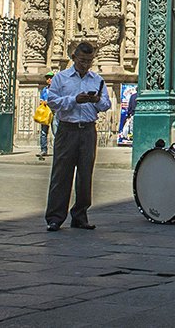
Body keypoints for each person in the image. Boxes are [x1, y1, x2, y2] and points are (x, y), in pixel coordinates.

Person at [44, 41, 111, 231]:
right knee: (61, 174)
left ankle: (80, 215)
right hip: (68, 129)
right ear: (73, 58)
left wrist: (97, 100)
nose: (85, 64)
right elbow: (52, 102)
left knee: (85, 175)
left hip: (88, 130)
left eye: (89, 61)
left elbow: (106, 104)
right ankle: (55, 217)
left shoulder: (97, 80)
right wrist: (74, 100)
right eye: (82, 60)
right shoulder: (60, 78)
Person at [38, 72, 54, 160]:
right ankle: (43, 149)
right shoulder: (44, 90)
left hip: (54, 112)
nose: (49, 80)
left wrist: (49, 102)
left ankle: (56, 150)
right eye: (47, 78)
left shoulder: (56, 90)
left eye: (51, 78)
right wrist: (42, 102)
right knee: (43, 132)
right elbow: (41, 99)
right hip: (45, 112)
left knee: (56, 132)